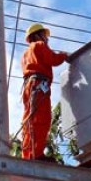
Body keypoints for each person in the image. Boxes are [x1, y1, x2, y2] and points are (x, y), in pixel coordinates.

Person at [20, 23, 68, 161]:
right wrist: (63, 55)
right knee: (42, 119)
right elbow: (52, 59)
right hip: (39, 86)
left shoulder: (25, 54)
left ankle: (28, 155)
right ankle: (37, 154)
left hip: (29, 87)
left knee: (30, 120)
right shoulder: (39, 45)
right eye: (45, 36)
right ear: (37, 35)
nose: (47, 40)